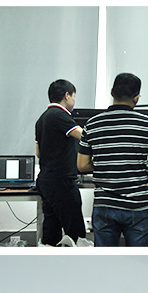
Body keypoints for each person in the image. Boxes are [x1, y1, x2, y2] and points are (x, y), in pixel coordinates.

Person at [77, 72, 148, 247]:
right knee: (140, 260)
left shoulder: (92, 124)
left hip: (105, 205)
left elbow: (82, 165)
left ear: (112, 92)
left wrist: (107, 164)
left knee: (105, 259)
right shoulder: (146, 123)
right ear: (136, 98)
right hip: (138, 206)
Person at [34, 79, 86, 246]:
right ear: (67, 95)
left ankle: (51, 258)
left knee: (52, 228)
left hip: (46, 180)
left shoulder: (41, 119)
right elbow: (84, 136)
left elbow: (38, 153)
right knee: (76, 232)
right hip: (61, 181)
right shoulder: (59, 115)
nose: (74, 101)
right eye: (74, 97)